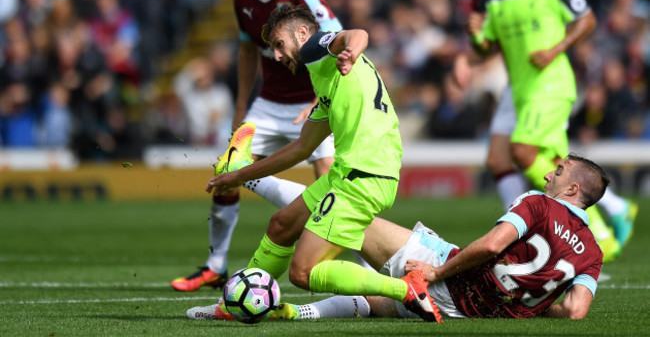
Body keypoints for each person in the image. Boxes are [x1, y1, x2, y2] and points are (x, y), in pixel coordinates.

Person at [191, 4, 442, 323]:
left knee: (303, 272)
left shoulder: (315, 48)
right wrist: (239, 175)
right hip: (349, 173)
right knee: (281, 225)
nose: (278, 57)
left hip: (362, 177)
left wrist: (350, 50)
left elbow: (357, 34)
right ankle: (235, 306)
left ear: (302, 33)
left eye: (279, 45)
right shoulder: (327, 84)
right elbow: (300, 148)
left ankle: (407, 290)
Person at [190, 153, 608, 321]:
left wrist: (436, 269)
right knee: (371, 304)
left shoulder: (538, 203)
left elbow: (493, 245)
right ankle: (294, 315)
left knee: (341, 209)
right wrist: (516, 301)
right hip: (462, 313)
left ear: (572, 190)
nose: (550, 172)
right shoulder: (592, 251)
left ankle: (247, 172)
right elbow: (575, 310)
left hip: (440, 275)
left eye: (560, 171)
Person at [171, 0, 342, 291]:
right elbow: (248, 51)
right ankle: (216, 265)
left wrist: (319, 99)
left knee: (331, 182)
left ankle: (364, 267)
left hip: (310, 102)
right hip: (268, 105)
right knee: (227, 166)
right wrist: (240, 107)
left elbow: (335, 42)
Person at [468, 0, 636, 262]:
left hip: (553, 84)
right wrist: (475, 35)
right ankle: (610, 214)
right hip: (523, 92)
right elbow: (487, 48)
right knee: (557, 165)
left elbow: (586, 18)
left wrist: (555, 49)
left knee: (523, 151)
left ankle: (598, 234)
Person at [454, 0, 528, 210]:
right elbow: (489, 44)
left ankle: (604, 213)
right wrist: (470, 52)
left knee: (535, 156)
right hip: (515, 81)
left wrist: (471, 56)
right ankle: (520, 226)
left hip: (534, 79)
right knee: (500, 158)